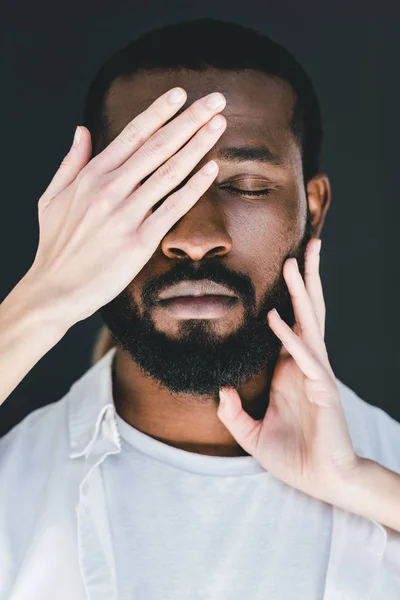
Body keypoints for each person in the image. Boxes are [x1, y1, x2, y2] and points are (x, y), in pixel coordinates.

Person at [0, 17, 399, 600]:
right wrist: (41, 299)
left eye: (247, 186)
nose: (194, 236)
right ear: (85, 214)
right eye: (152, 186)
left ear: (312, 208)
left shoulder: (387, 469)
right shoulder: (13, 486)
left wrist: (364, 487)